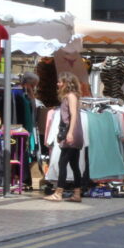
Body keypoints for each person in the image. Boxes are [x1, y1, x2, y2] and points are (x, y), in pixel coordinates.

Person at [45, 72, 84, 203]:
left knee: (62, 163)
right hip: (71, 132)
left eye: (60, 82)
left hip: (72, 132)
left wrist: (70, 133)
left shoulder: (71, 96)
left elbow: (73, 116)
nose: (58, 84)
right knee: (74, 164)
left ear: (67, 83)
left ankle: (59, 193)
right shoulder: (68, 96)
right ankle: (77, 193)